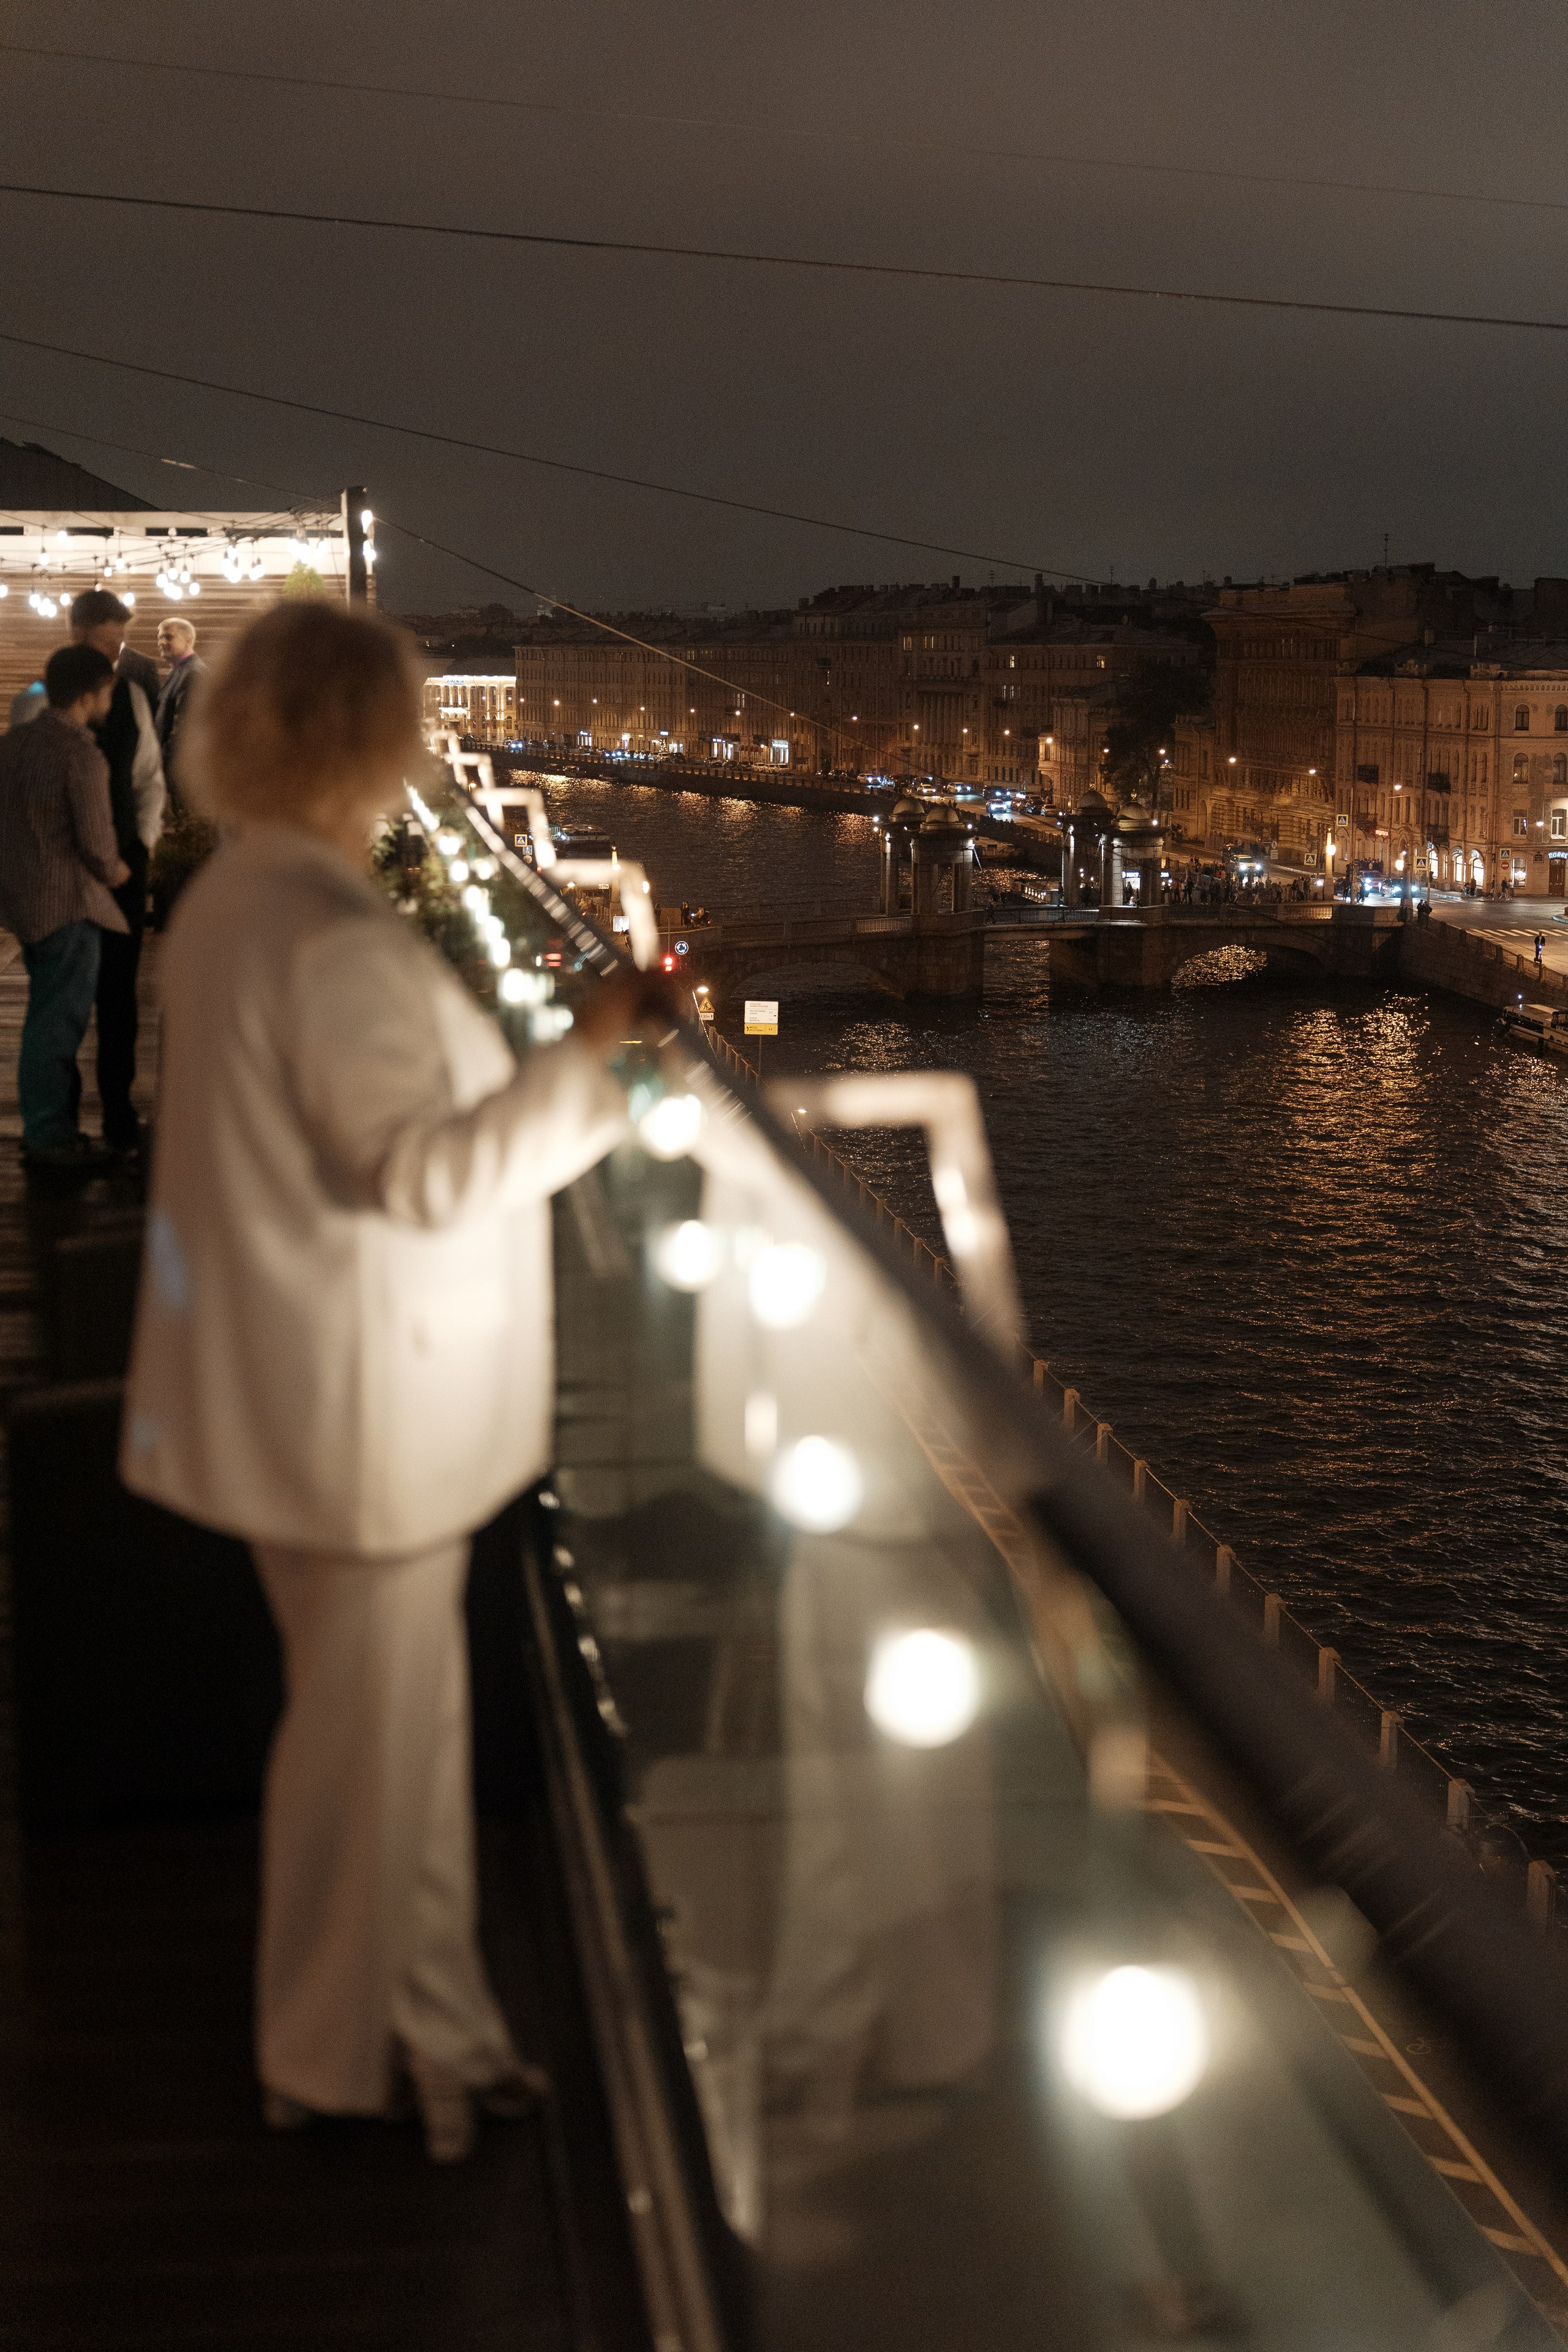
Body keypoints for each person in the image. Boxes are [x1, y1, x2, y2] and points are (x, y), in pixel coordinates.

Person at [120, 600, 660, 2164]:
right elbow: (424, 1179)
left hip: (296, 1381)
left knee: (391, 1741)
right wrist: (603, 1063)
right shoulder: (330, 936)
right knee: (364, 1757)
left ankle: (440, 2030)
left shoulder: (231, 902)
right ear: (375, 738)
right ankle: (324, 2064)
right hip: (365, 1411)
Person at [0, 645, 131, 1169]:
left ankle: (47, 1128)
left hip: (24, 903)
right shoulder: (81, 754)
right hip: (70, 905)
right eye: (107, 692)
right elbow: (99, 847)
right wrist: (124, 874)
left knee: (43, 1017)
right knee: (59, 1024)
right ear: (88, 694)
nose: (110, 701)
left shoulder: (13, 746)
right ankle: (49, 1137)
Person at [69, 590, 166, 1153]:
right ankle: (56, 1123)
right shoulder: (41, 699)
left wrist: (143, 843)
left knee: (120, 993)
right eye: (108, 640)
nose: (115, 652)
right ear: (78, 632)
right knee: (62, 997)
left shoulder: (130, 694)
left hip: (126, 863)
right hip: (64, 872)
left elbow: (149, 777)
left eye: (119, 642)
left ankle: (118, 1111)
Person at [154, 616, 206, 800]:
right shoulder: (179, 671)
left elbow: (183, 729)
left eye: (169, 637)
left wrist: (161, 764)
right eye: (160, 637)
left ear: (188, 640)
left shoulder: (193, 673)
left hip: (181, 774)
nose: (161, 642)